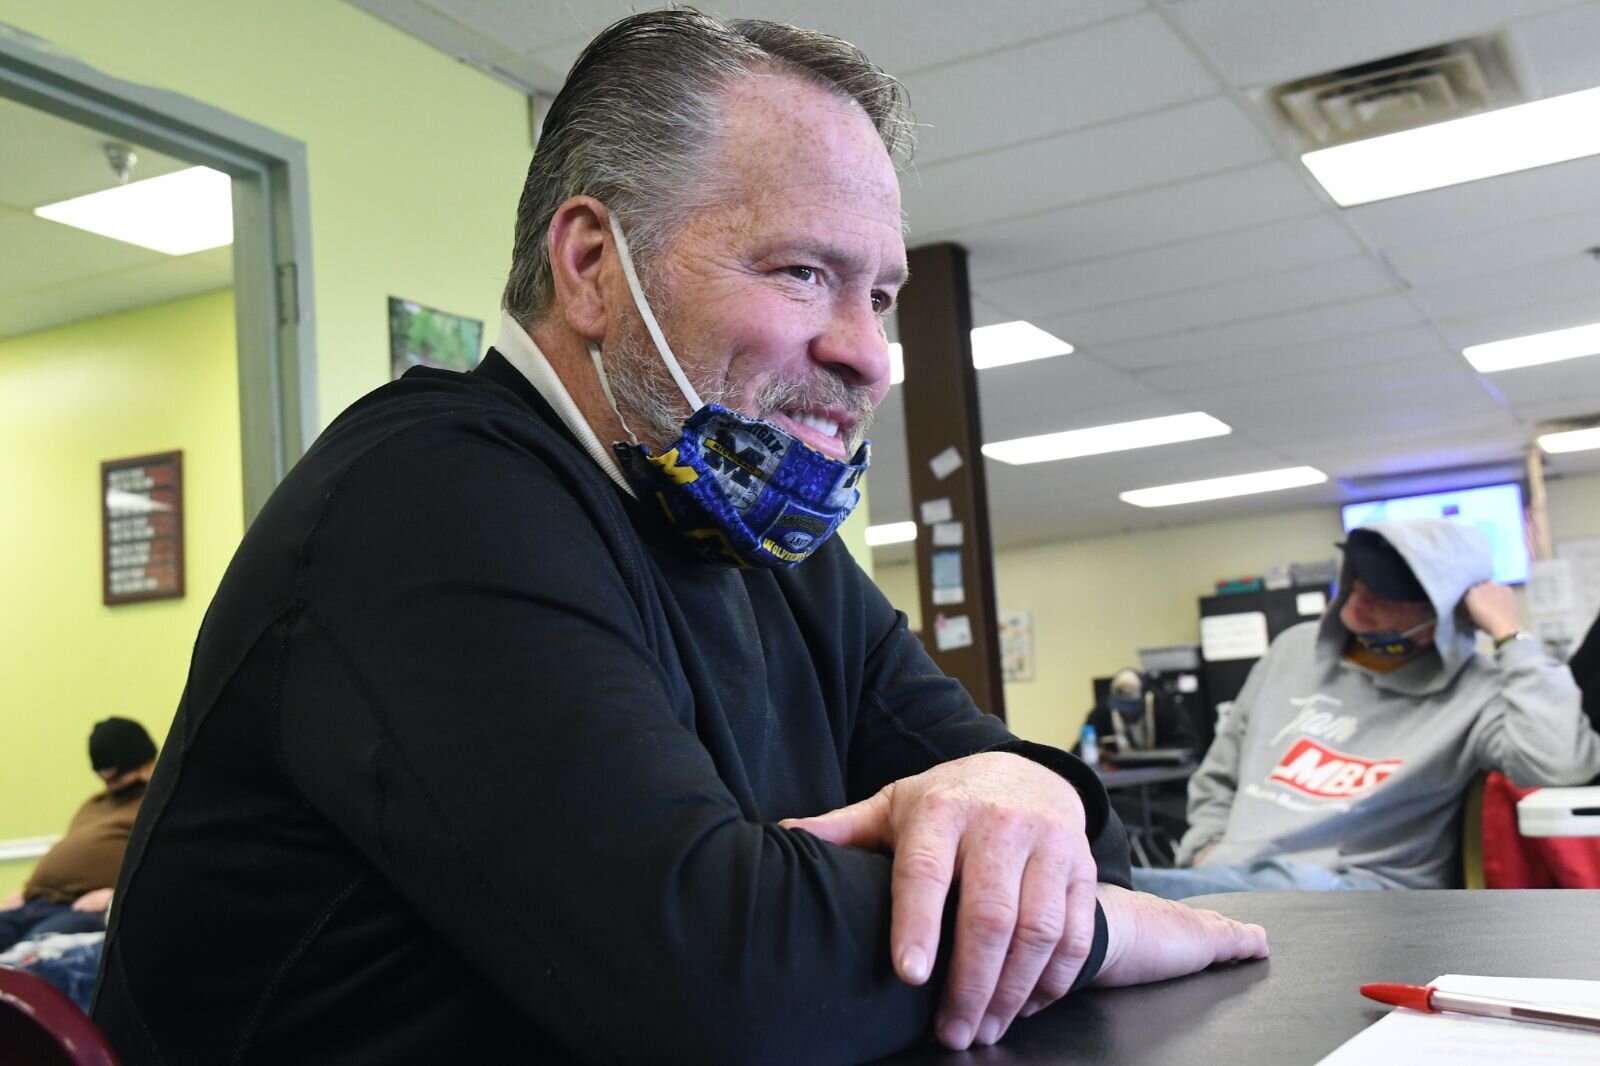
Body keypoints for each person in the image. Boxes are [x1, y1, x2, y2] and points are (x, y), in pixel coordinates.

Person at [92, 11, 1265, 1064]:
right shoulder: (427, 496)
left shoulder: (763, 545)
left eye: (883, 294)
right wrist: (1094, 928)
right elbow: (729, 985)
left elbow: (1067, 833)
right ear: (593, 266)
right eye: (806, 272)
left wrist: (1021, 798)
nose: (868, 352)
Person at [1133, 519, 1600, 900]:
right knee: (1094, 881)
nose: (1361, 595)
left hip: (1358, 892)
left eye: (1387, 593)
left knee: (1112, 894)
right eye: (1358, 576)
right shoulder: (1293, 651)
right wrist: (1202, 848)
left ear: (1445, 610)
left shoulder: (1479, 691)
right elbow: (1220, 770)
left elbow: (1561, 763)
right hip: (1229, 877)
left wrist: (1510, 635)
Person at [0, 717, 155, 949]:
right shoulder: (94, 804)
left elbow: (167, 865)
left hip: (83, 908)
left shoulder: (157, 805)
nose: (109, 780)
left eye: (116, 773)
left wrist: (116, 896)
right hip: (33, 903)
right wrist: (31, 892)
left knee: (31, 957)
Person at [1086, 668, 1199, 756]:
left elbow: (1189, 744)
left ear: (1144, 699)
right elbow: (1082, 749)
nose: (1127, 714)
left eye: (1131, 707)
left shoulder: (1165, 707)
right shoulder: (1102, 712)